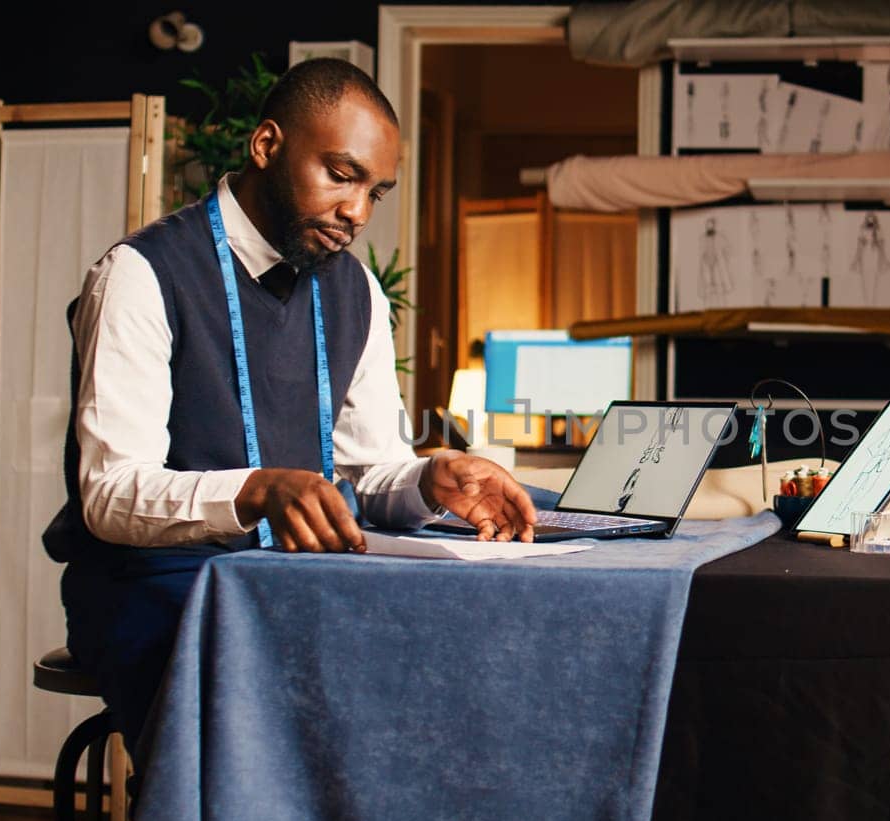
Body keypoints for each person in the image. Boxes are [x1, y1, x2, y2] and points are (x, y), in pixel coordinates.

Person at [42, 58, 537, 755]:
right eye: (341, 175)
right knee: (269, 737)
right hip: (158, 588)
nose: (357, 212)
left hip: (296, 582)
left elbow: (373, 471)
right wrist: (256, 491)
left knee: (429, 693)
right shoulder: (141, 275)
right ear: (267, 146)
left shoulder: (356, 289)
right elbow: (111, 496)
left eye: (376, 192)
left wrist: (430, 479)